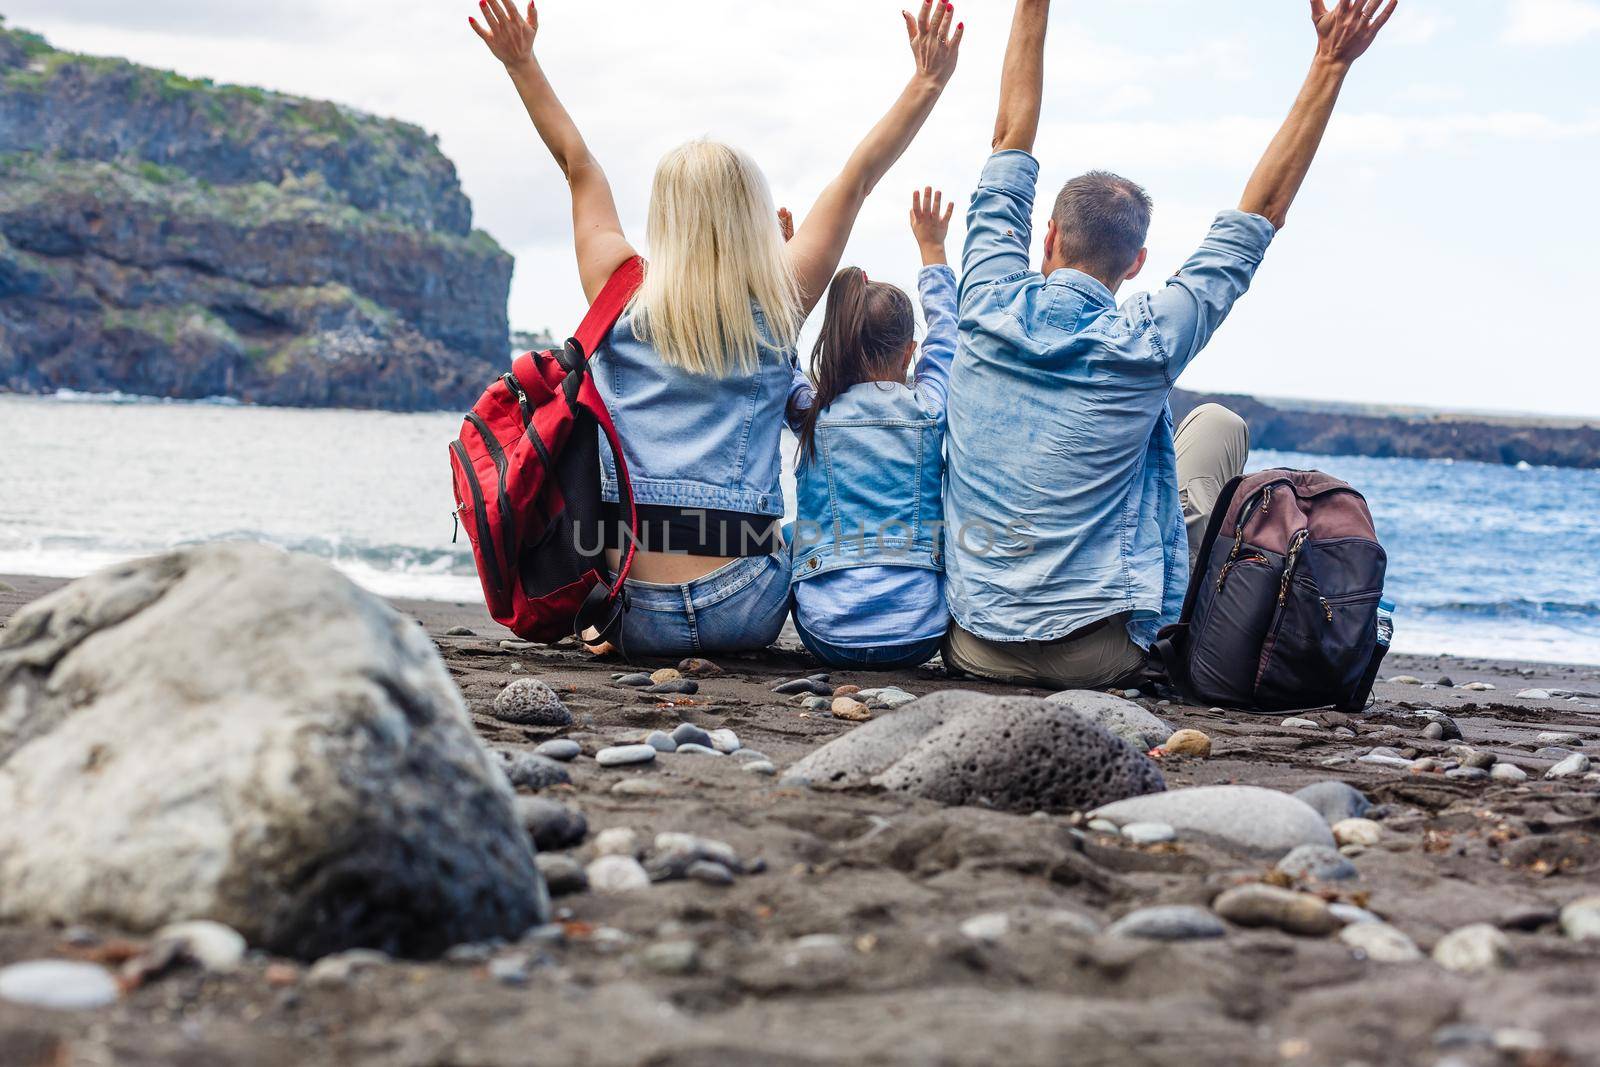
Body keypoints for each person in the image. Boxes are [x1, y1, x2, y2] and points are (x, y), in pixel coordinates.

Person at [469, 0, 965, 656]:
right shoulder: (778, 300)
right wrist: (927, 82)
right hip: (747, 607)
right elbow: (858, 178)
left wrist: (521, 63)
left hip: (629, 608)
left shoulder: (616, 291)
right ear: (750, 215)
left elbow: (577, 163)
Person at [942, 0, 1398, 689]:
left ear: (1049, 240)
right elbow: (1261, 213)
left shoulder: (982, 298)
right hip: (1096, 655)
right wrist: (1329, 65)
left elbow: (1011, 135)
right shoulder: (1151, 333)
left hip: (973, 642)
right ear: (1137, 263)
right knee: (1217, 426)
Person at [789, 188, 959, 669]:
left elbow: (778, 353)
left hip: (826, 635)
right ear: (910, 351)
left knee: (787, 533)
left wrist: (785, 265)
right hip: (920, 633)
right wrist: (933, 250)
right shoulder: (929, 408)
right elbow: (947, 336)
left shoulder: (812, 413)